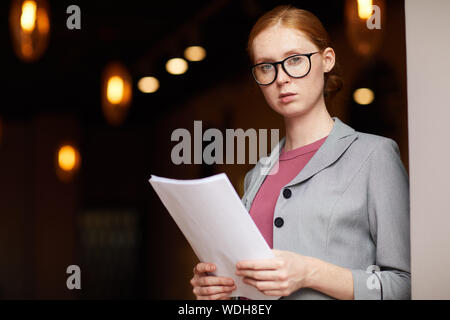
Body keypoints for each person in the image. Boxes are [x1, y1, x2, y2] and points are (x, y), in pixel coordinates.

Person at [190, 5, 410, 300]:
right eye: (266, 66)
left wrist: (309, 272)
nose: (281, 77)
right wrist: (218, 290)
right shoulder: (257, 175)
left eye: (294, 60)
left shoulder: (375, 156)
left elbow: (405, 285)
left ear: (327, 60)